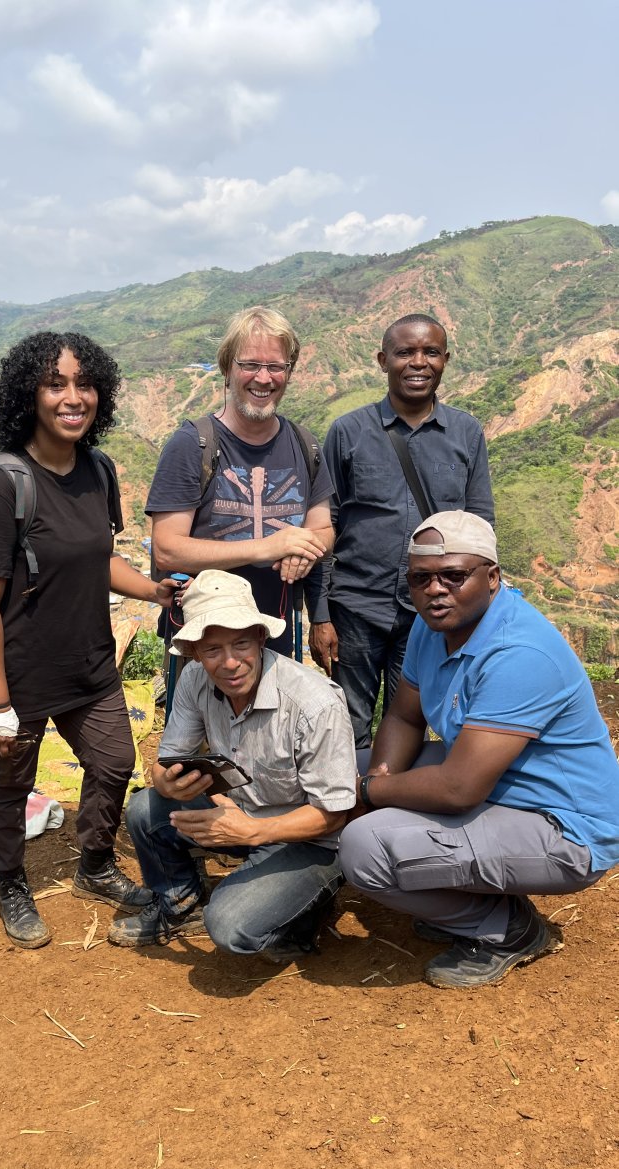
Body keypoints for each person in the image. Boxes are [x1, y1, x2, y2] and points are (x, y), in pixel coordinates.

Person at [0, 332, 177, 950]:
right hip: (19, 675)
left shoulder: (98, 470)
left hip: (89, 665)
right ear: (29, 395)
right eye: (55, 384)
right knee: (8, 786)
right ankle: (10, 882)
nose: (73, 397)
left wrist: (152, 591)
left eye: (84, 384)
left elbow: (98, 557)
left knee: (114, 763)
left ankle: (94, 864)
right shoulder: (2, 483)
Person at [339, 511, 619, 989]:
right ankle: (468, 896)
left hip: (565, 827)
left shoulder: (519, 653)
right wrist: (378, 777)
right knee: (348, 768)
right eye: (421, 578)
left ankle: (506, 928)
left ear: (491, 577)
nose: (435, 590)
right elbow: (404, 716)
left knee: (366, 847)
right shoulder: (432, 628)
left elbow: (458, 789)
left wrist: (371, 792)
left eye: (454, 575)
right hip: (503, 785)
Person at [108, 570, 356, 960]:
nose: (229, 663)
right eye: (212, 650)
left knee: (229, 925)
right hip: (238, 815)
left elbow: (335, 813)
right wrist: (168, 782)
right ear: (194, 652)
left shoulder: (314, 703)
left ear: (260, 637)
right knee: (146, 809)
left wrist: (253, 831)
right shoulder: (194, 680)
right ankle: (180, 903)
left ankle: (308, 907)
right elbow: (166, 763)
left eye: (240, 644)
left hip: (310, 840)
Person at [312, 314, 494, 746]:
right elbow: (323, 525)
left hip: (430, 615)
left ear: (445, 359)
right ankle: (348, 793)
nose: (418, 362)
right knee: (345, 726)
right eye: (405, 352)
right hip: (355, 608)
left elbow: (480, 527)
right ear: (383, 360)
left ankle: (392, 793)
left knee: (410, 727)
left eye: (430, 352)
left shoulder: (466, 433)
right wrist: (320, 615)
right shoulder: (348, 431)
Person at [146, 306, 335, 655]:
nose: (263, 378)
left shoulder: (304, 444)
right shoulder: (192, 445)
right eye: (249, 364)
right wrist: (269, 547)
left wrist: (303, 549)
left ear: (289, 372)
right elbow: (167, 549)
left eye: (276, 366)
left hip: (277, 632)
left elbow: (323, 530)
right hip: (205, 643)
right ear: (227, 368)